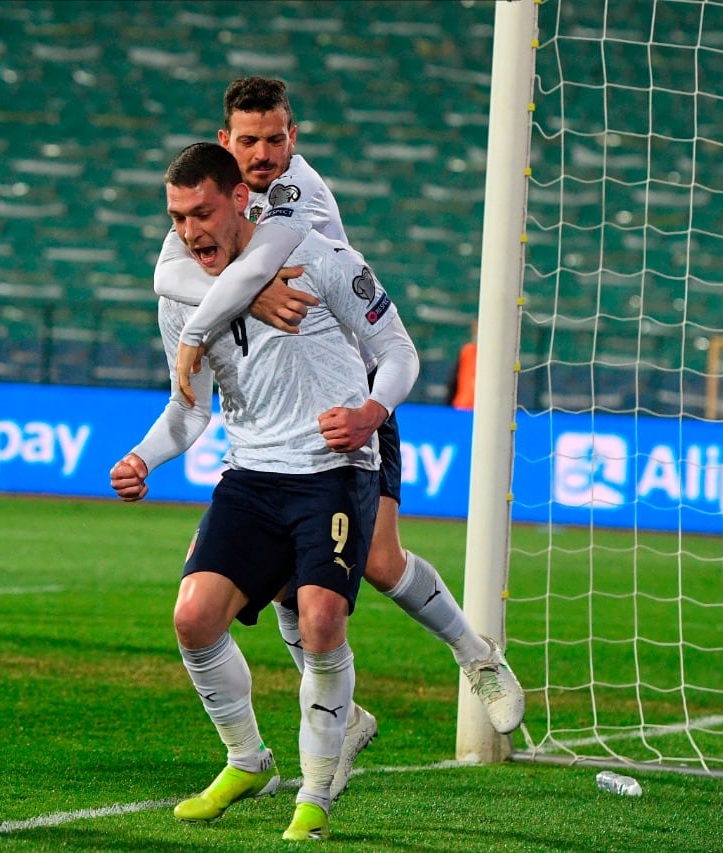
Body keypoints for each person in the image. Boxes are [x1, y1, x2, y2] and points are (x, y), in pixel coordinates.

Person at [154, 77, 524, 768]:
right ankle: (342, 715)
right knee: (292, 583)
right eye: (248, 140)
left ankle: (477, 655)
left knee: (380, 562)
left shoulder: (302, 196)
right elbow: (167, 274)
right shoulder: (215, 197)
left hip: (345, 394)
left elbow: (281, 268)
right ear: (226, 140)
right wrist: (233, 296)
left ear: (292, 138)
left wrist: (228, 303)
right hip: (274, 417)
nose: (262, 155)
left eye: (274, 139)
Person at [110, 141, 419, 841]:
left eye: (202, 213)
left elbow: (400, 351)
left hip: (334, 471)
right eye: (177, 217)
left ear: (238, 203)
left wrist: (372, 411)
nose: (191, 232)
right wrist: (143, 457)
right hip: (251, 475)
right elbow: (189, 408)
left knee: (318, 621)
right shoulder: (183, 293)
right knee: (193, 617)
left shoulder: (323, 259)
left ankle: (315, 792)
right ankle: (247, 760)